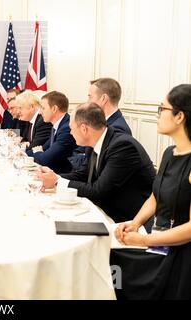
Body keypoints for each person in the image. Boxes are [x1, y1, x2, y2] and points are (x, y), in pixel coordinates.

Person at [110, 84, 191, 299]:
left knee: (120, 271)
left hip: (182, 254)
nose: (157, 115)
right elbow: (156, 196)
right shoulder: (168, 153)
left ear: (179, 116)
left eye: (161, 109)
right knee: (112, 261)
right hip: (160, 241)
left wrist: (144, 241)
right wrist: (134, 223)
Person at [37, 102, 155, 223]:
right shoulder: (94, 143)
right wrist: (53, 177)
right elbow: (83, 174)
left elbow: (99, 191)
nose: (71, 133)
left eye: (71, 129)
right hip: (106, 208)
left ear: (84, 128)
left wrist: (57, 181)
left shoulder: (122, 146)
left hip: (127, 219)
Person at [69, 78, 132, 170]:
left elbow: (92, 166)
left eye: (90, 97)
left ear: (103, 98)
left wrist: (82, 158)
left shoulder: (118, 128)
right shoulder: (96, 121)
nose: (87, 101)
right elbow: (78, 151)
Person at [27, 91, 76, 173]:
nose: (40, 112)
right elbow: (44, 148)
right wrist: (25, 154)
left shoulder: (66, 128)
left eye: (43, 108)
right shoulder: (57, 125)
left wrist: (38, 152)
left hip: (64, 175)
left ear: (54, 109)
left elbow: (44, 159)